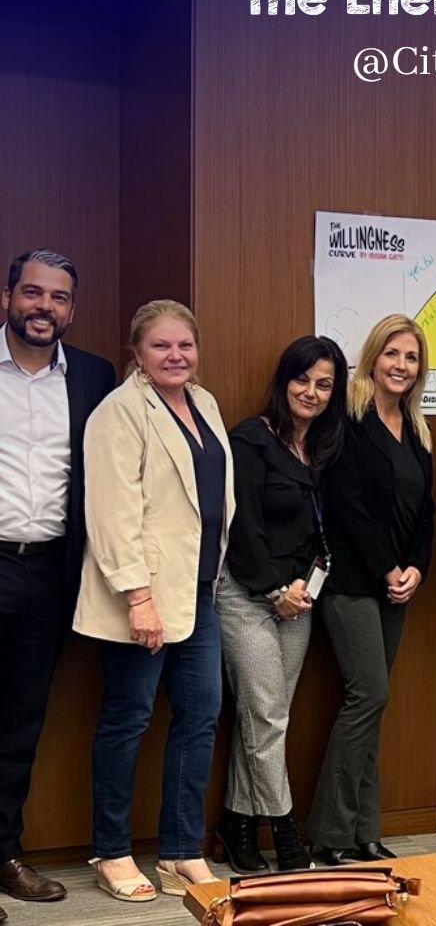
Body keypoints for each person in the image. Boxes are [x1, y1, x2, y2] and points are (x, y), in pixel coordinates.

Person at [74, 300, 234, 902]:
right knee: (128, 720)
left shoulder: (205, 403)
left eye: (185, 345)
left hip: (200, 592)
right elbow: (112, 514)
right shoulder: (118, 413)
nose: (176, 356)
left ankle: (181, 849)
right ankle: (111, 851)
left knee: (200, 718)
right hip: (141, 596)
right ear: (137, 352)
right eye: (161, 346)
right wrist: (139, 598)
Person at [0, 249, 114, 921]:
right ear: (9, 295)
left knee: (19, 722)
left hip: (49, 572)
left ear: (72, 309)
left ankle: (5, 849)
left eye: (59, 298)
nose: (44, 306)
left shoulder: (95, 377)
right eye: (33, 293)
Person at [215, 336, 348, 873]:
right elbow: (239, 526)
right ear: (283, 379)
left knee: (266, 718)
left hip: (300, 600)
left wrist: (299, 591)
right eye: (302, 379)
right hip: (249, 596)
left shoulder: (319, 448)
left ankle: (237, 824)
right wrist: (275, 589)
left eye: (323, 384)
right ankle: (288, 836)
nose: (311, 392)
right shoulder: (250, 439)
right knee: (267, 718)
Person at [308, 314, 435, 863]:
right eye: (392, 355)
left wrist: (416, 569)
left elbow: (425, 512)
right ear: (373, 358)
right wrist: (387, 567)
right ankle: (330, 833)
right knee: (370, 695)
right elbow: (347, 509)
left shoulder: (418, 430)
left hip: (395, 587)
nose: (401, 366)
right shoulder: (349, 422)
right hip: (353, 584)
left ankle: (364, 832)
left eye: (411, 358)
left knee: (372, 704)